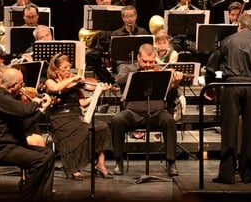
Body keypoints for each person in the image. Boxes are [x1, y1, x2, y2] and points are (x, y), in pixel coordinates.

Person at [205, 14, 251, 184]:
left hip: (232, 86)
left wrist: (211, 85)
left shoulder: (228, 40)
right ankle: (248, 175)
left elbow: (212, 65)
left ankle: (227, 174)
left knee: (229, 130)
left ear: (239, 26)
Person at [111, 43, 183, 177]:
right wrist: (140, 74)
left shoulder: (161, 72)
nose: (148, 65)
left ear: (155, 58)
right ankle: (118, 161)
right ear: (138, 57)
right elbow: (119, 79)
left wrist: (175, 84)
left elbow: (171, 97)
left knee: (169, 121)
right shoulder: (128, 68)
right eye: (145, 61)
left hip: (157, 113)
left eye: (151, 61)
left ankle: (171, 162)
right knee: (117, 120)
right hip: (133, 114)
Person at [0, 67, 54, 200]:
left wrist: (42, 110)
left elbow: (25, 125)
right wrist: (36, 103)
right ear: (14, 85)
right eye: (21, 84)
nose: (22, 87)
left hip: (13, 144)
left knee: (48, 154)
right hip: (1, 148)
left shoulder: (8, 98)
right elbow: (24, 111)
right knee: (40, 160)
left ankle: (43, 196)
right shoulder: (0, 98)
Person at [44, 53, 113, 180]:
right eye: (64, 68)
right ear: (56, 70)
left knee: (102, 127)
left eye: (69, 68)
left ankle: (100, 164)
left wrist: (98, 92)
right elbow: (55, 88)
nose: (68, 71)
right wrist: (73, 78)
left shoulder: (75, 84)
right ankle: (74, 167)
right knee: (79, 131)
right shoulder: (50, 81)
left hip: (76, 115)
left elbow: (82, 103)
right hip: (60, 118)